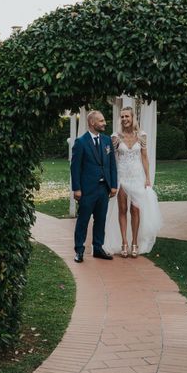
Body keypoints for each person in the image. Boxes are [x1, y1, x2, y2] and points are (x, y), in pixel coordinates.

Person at [104, 107, 162, 257]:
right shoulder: (115, 137)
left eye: (127, 116)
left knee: (135, 210)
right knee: (122, 209)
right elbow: (111, 158)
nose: (124, 119)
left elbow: (144, 157)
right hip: (122, 177)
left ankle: (134, 242)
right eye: (122, 117)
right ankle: (124, 242)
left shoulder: (142, 135)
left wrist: (148, 178)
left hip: (137, 177)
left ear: (133, 117)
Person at [70, 110, 118, 263]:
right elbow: (75, 167)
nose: (105, 123)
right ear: (92, 123)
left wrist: (113, 185)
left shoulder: (106, 141)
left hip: (104, 189)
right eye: (102, 121)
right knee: (83, 220)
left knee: (101, 220)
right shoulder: (81, 142)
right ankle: (79, 250)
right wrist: (76, 188)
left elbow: (112, 165)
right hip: (87, 190)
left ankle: (98, 248)